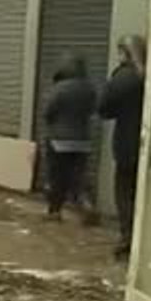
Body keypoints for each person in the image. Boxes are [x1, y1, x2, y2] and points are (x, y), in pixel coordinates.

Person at [98, 34, 147, 260]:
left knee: (124, 193)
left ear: (124, 53)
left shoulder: (124, 77)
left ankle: (127, 239)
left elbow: (104, 108)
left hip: (128, 146)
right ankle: (142, 238)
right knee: (142, 194)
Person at [43, 52, 97, 222]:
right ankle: (87, 204)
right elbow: (92, 110)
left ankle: (55, 211)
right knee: (78, 176)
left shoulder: (60, 87)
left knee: (58, 176)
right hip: (83, 139)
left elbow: (48, 112)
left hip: (59, 140)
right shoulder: (89, 88)